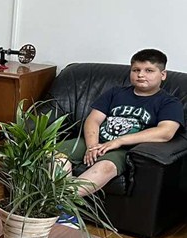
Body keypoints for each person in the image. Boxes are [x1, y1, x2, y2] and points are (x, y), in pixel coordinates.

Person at [57, 48, 184, 196]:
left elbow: (166, 132)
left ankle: (60, 201)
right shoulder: (115, 93)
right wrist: (92, 146)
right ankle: (57, 201)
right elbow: (93, 119)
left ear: (163, 75)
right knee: (53, 155)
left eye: (149, 70)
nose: (141, 75)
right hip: (95, 140)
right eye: (136, 70)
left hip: (125, 149)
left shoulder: (169, 102)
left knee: (105, 167)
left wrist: (119, 141)